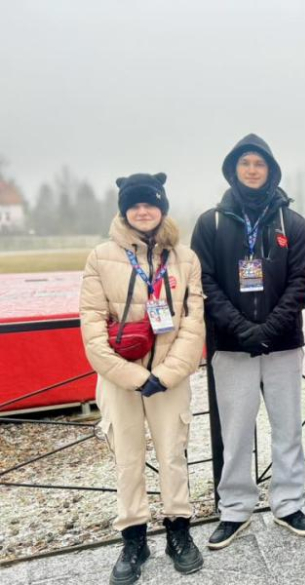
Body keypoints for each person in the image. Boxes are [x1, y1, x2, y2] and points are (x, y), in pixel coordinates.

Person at [190, 134, 305, 549]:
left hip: (282, 344)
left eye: (259, 163)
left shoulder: (293, 224)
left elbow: (302, 281)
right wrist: (244, 329)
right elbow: (204, 281)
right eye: (244, 163)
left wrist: (269, 328)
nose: (251, 170)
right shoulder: (210, 222)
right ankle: (235, 508)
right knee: (237, 429)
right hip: (231, 345)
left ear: (271, 170)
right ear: (233, 169)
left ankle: (288, 502)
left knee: (287, 428)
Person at [79, 172, 205, 584]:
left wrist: (166, 374)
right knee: (127, 460)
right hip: (121, 380)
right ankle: (133, 537)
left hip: (170, 377)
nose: (143, 211)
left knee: (173, 455)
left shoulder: (185, 259)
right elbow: (92, 329)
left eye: (149, 203)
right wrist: (133, 376)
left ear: (162, 207)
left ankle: (178, 532)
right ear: (124, 211)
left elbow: (193, 322)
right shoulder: (101, 257)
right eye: (134, 205)